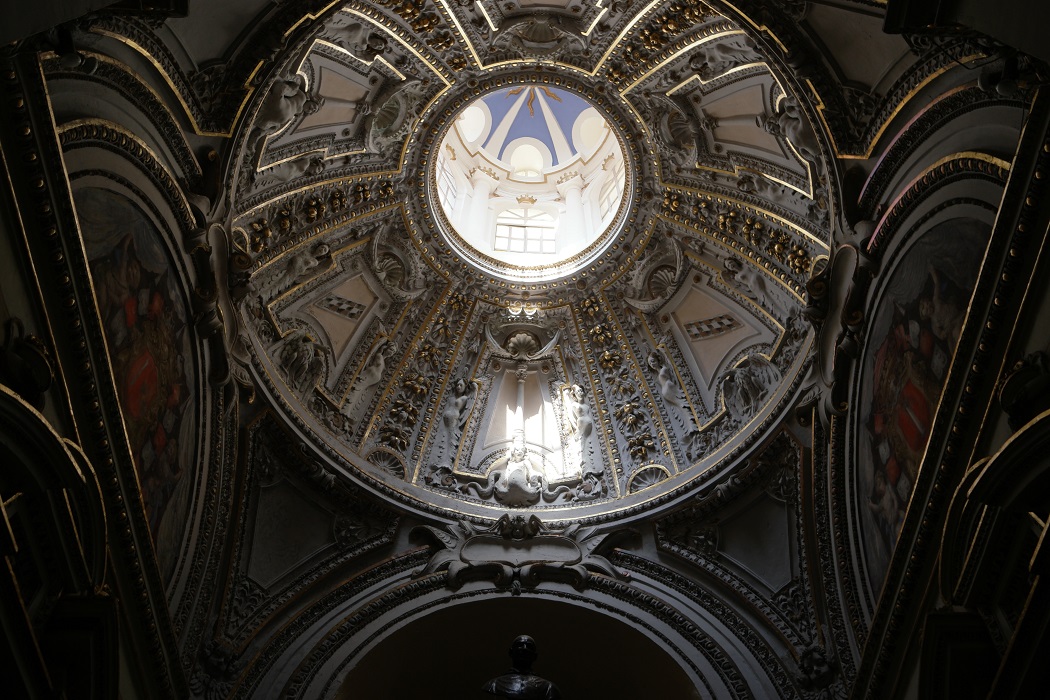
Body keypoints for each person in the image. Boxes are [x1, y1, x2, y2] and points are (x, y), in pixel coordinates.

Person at [483, 635, 561, 699]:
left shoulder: (548, 688)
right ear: (511, 652)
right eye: (519, 645)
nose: (524, 648)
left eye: (529, 646)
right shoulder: (494, 685)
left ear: (535, 656)